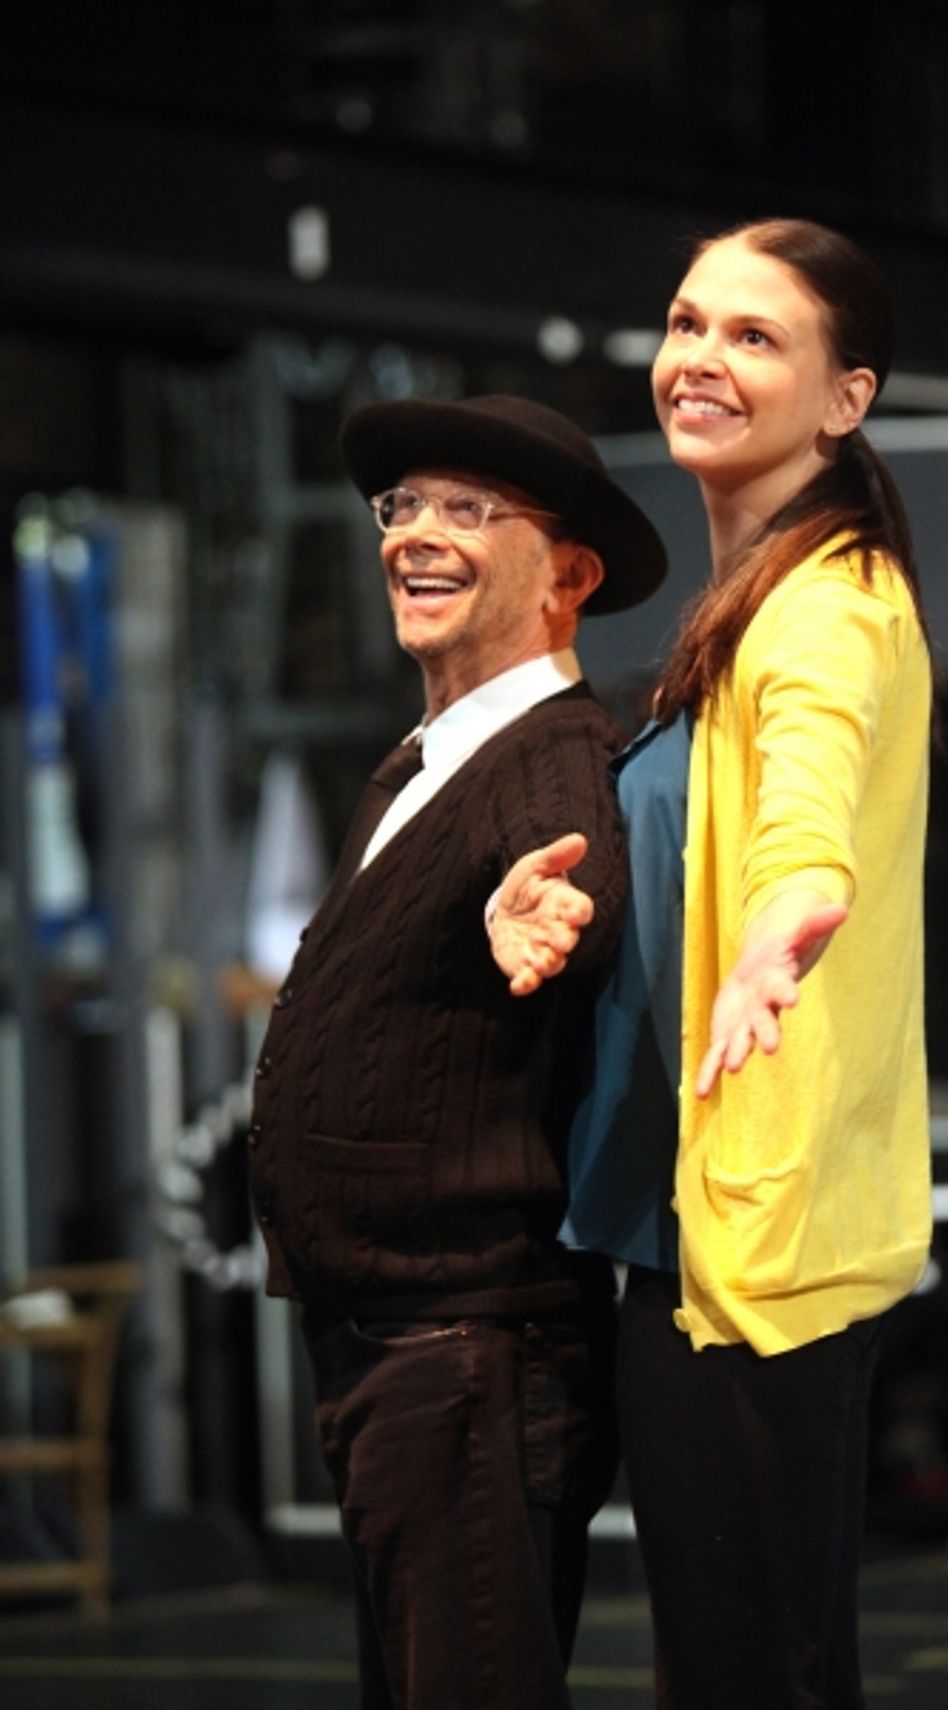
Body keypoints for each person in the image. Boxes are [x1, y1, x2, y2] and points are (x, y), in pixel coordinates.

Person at [491, 219, 934, 1709]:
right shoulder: (742, 610)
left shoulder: (826, 608)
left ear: (846, 398)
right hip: (677, 1235)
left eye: (756, 337)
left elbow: (811, 796)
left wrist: (791, 912)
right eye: (689, 322)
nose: (702, 357)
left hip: (757, 1255)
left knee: (756, 1674)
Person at [247, 393, 667, 1710]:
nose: (416, 533)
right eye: (404, 505)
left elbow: (568, 862)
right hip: (401, 1347)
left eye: (469, 509)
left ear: (570, 578)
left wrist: (543, 910)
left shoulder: (550, 749)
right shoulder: (426, 761)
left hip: (469, 1351)